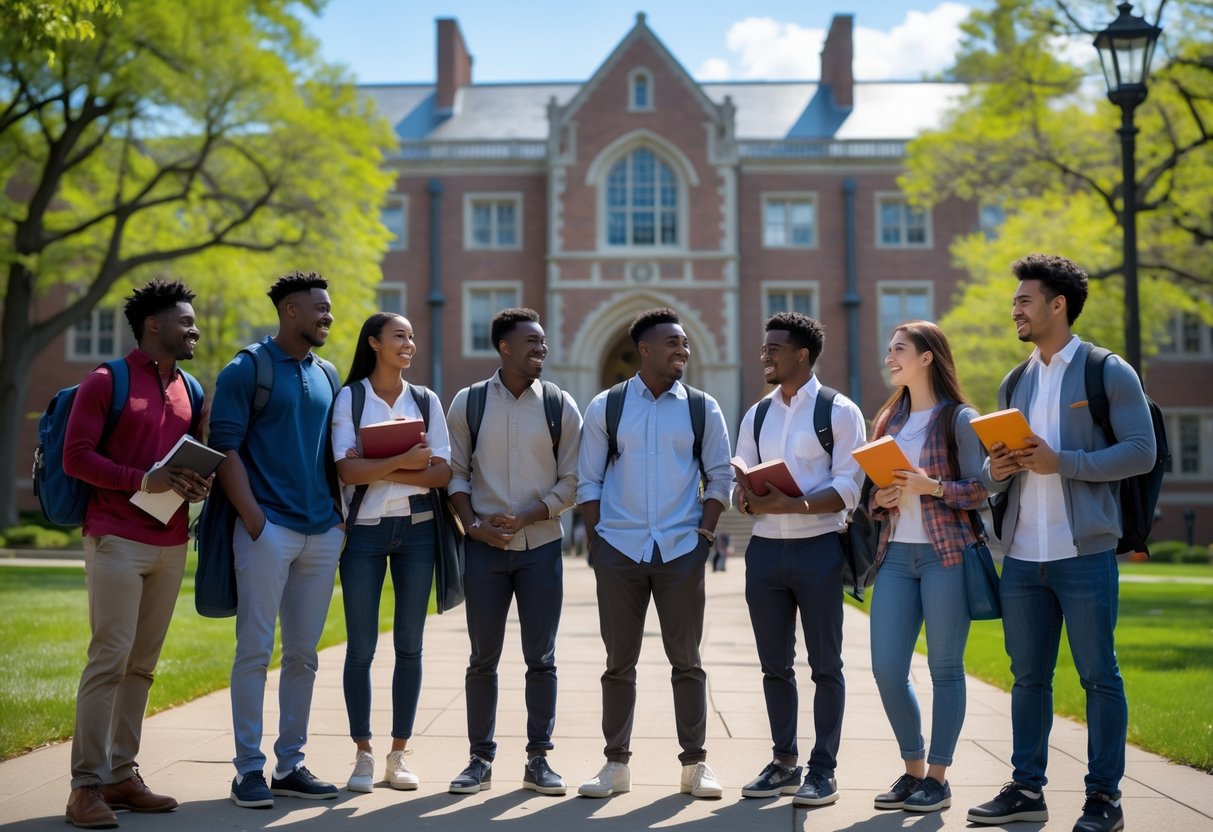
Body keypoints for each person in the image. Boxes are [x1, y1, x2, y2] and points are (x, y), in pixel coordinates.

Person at [967, 254, 1155, 832]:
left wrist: (1061, 462)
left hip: (1085, 552)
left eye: (1025, 300)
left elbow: (1140, 451)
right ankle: (1027, 789)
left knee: (1099, 675)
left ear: (1058, 305)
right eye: (1015, 301)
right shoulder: (1015, 380)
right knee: (1028, 678)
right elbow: (987, 474)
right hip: (1022, 557)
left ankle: (1104, 799)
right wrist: (996, 467)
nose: (1015, 309)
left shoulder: (1107, 371)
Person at [62, 280, 212, 828]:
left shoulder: (191, 388)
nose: (194, 329)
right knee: (110, 660)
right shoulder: (106, 381)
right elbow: (75, 457)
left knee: (142, 667)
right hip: (116, 538)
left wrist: (196, 485)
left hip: (171, 542)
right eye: (186, 321)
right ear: (154, 324)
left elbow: (183, 463)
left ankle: (122, 775)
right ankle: (85, 787)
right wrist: (141, 480)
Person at [575, 307, 732, 800]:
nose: (683, 349)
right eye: (673, 343)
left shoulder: (703, 408)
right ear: (645, 349)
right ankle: (615, 766)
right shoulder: (607, 405)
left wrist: (704, 538)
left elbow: (720, 475)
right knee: (618, 663)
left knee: (687, 661)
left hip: (681, 548)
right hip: (618, 549)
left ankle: (695, 765)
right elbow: (589, 480)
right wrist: (597, 542)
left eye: (685, 343)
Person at [209, 272, 346, 809]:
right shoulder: (248, 368)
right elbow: (225, 448)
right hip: (269, 532)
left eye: (329, 308)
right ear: (291, 310)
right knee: (254, 652)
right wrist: (255, 523)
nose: (328, 316)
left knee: (304, 656)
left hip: (321, 532)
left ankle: (291, 764)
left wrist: (336, 518)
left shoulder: (328, 373)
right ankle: (248, 770)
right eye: (320, 308)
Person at [444, 308, 582, 796]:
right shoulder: (470, 402)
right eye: (531, 342)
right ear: (504, 347)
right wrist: (472, 525)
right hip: (483, 551)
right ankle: (479, 760)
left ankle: (538, 759)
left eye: (543, 342)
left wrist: (527, 516)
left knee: (541, 657)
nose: (541, 349)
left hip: (541, 548)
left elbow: (573, 480)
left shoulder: (560, 405)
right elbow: (455, 472)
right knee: (483, 657)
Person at [733, 312, 865, 807]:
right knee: (774, 666)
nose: (764, 355)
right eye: (764, 348)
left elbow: (851, 482)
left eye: (774, 348)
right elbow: (739, 477)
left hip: (818, 549)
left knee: (826, 666)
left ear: (802, 355)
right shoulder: (757, 414)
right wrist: (744, 497)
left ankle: (823, 770)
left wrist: (800, 504)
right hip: (765, 551)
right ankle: (784, 762)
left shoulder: (839, 410)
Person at [867, 321, 988, 814]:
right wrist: (882, 496)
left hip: (947, 555)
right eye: (890, 349)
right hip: (896, 556)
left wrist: (930, 486)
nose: (890, 356)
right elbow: (875, 502)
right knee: (887, 668)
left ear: (927, 358)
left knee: (944, 668)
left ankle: (938, 777)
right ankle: (913, 769)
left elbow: (981, 490)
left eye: (900, 349)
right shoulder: (887, 423)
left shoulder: (958, 419)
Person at [330, 313, 452, 793]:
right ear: (375, 343)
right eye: (400, 336)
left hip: (419, 531)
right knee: (360, 647)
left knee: (410, 645)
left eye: (412, 335)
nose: (409, 343)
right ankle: (362, 754)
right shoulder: (351, 397)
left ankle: (398, 755)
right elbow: (346, 471)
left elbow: (442, 473)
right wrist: (404, 460)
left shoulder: (426, 400)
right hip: (363, 531)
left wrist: (377, 466)